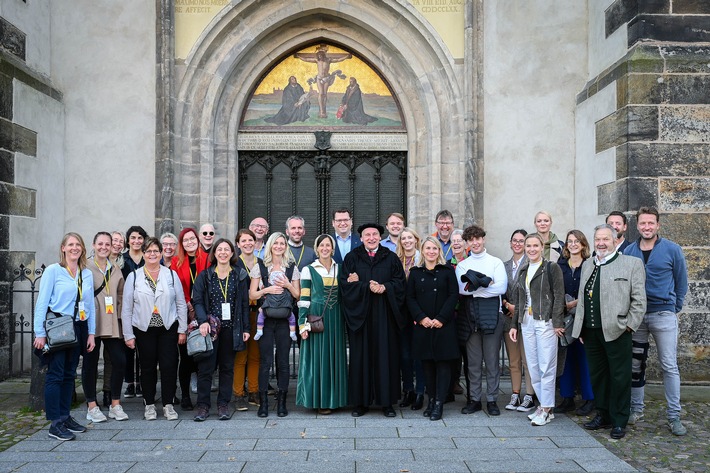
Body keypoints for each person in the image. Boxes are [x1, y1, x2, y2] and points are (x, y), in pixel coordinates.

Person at [572, 224, 646, 440]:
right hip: (591, 332)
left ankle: (619, 420)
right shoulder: (588, 264)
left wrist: (629, 325)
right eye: (598, 239)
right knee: (598, 376)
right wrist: (581, 327)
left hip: (618, 331)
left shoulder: (631, 264)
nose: (601, 243)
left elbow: (639, 301)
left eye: (605, 239)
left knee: (620, 377)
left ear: (615, 240)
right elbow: (583, 298)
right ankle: (602, 414)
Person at [625, 207, 688, 436]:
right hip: (637, 318)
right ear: (637, 226)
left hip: (663, 315)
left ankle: (674, 416)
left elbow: (681, 282)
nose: (647, 227)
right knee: (635, 365)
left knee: (669, 366)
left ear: (658, 225)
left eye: (651, 223)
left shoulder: (672, 250)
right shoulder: (630, 251)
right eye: (643, 223)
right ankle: (636, 409)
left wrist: (673, 307)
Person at [340, 223, 407, 417]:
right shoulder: (352, 258)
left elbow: (400, 283)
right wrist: (365, 287)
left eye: (375, 234)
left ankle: (387, 403)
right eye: (367, 235)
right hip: (360, 316)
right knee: (360, 357)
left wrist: (385, 287)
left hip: (385, 315)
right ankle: (360, 403)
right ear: (360, 238)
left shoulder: (391, 257)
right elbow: (344, 285)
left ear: (380, 237)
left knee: (386, 357)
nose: (371, 238)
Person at [33, 233, 95, 440]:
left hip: (77, 327)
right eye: (71, 245)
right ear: (63, 248)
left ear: (82, 249)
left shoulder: (85, 273)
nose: (74, 248)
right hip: (58, 328)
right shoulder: (53, 271)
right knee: (55, 374)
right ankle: (55, 423)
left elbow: (90, 307)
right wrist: (39, 333)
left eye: (78, 245)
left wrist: (91, 333)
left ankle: (65, 415)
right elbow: (42, 302)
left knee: (70, 374)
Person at [122, 237, 188, 421]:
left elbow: (180, 303)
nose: (152, 254)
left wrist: (182, 329)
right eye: (149, 251)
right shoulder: (134, 276)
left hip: (167, 327)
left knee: (169, 366)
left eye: (156, 251)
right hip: (144, 329)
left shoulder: (171, 275)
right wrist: (128, 334)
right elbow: (127, 308)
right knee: (148, 367)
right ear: (143, 253)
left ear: (161, 254)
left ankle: (168, 404)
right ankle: (149, 404)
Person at [191, 238, 251, 421]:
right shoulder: (205, 275)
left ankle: (223, 404)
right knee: (206, 369)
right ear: (214, 253)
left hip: (231, 329)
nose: (223, 252)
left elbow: (243, 303)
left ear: (232, 253)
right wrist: (202, 321)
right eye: (220, 249)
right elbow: (198, 301)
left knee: (227, 368)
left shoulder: (239, 275)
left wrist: (246, 328)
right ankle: (203, 406)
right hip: (210, 330)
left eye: (227, 249)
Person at [509, 233, 565, 426]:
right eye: (528, 246)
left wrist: (557, 322)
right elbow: (518, 300)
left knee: (546, 366)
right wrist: (514, 325)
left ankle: (547, 407)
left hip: (545, 322)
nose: (531, 249)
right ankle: (543, 406)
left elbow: (559, 296)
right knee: (533, 367)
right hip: (527, 322)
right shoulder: (524, 269)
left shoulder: (551, 268)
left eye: (535, 245)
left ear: (542, 247)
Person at [455, 225, 507, 417]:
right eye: (471, 240)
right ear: (467, 243)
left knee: (492, 362)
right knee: (474, 363)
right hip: (470, 318)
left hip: (493, 316)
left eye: (478, 239)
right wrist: (487, 284)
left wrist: (475, 287)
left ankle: (492, 400)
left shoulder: (495, 262)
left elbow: (501, 288)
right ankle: (475, 399)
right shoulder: (463, 265)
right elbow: (462, 290)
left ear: (483, 239)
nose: (475, 243)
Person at [249, 232, 301, 417]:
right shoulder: (260, 266)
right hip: (266, 319)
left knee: (283, 362)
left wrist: (287, 285)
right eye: (276, 243)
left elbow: (297, 295)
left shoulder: (291, 267)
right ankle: (263, 403)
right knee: (265, 362)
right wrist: (267, 289)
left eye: (282, 243)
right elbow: (252, 295)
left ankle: (281, 402)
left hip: (285, 320)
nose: (279, 246)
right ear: (270, 245)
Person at [407, 237, 459, 420]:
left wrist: (441, 318)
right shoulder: (415, 272)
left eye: (434, 248)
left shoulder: (447, 271)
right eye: (427, 248)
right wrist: (421, 318)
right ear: (423, 250)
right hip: (424, 325)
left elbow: (453, 295)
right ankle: (430, 401)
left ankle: (439, 403)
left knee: (443, 364)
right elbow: (410, 298)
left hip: (443, 325)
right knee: (427, 364)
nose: (431, 251)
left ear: (439, 251)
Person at [296, 234, 349, 414]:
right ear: (317, 248)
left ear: (333, 249)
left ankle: (335, 398)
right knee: (317, 358)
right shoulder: (308, 269)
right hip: (317, 316)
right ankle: (320, 400)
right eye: (322, 246)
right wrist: (302, 323)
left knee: (334, 356)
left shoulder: (340, 269)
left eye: (328, 245)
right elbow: (304, 298)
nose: (325, 248)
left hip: (336, 318)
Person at [84, 232, 128, 423]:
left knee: (119, 361)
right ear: (93, 245)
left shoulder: (116, 268)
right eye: (100, 244)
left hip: (111, 321)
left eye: (107, 244)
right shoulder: (85, 266)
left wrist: (121, 320)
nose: (103, 247)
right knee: (90, 364)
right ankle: (91, 406)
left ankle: (115, 404)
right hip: (91, 322)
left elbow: (120, 295)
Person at [554, 230, 595, 416]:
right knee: (566, 359)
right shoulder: (560, 266)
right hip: (564, 318)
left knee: (584, 358)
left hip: (583, 317)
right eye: (569, 241)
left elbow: (592, 291)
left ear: (583, 244)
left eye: (577, 241)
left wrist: (577, 302)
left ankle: (589, 399)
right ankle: (567, 397)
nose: (573, 244)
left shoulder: (590, 265)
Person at [171, 227, 209, 410]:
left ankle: (203, 397)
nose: (190, 242)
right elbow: (175, 288)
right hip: (184, 313)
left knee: (203, 356)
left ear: (197, 239)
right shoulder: (176, 263)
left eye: (192, 238)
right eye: (185, 240)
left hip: (205, 312)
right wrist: (188, 304)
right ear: (181, 243)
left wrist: (199, 306)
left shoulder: (208, 259)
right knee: (185, 358)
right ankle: (185, 395)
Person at [501, 229, 536, 413]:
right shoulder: (504, 266)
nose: (517, 244)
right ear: (510, 242)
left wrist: (518, 308)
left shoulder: (532, 265)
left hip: (527, 319)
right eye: (514, 240)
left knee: (527, 360)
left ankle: (529, 395)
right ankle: (515, 394)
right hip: (508, 319)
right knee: (513, 360)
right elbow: (499, 289)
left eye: (521, 241)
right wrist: (507, 304)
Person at [395, 227, 425, 410]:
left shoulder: (423, 258)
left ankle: (421, 391)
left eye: (409, 238)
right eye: (403, 238)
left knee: (418, 355)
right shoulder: (396, 260)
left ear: (416, 239)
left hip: (419, 313)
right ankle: (408, 390)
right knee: (404, 355)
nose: (406, 241)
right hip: (401, 313)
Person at [232, 229, 262, 410]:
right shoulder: (235, 264)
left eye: (250, 240)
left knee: (256, 355)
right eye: (243, 241)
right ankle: (238, 394)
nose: (248, 243)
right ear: (238, 244)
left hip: (258, 313)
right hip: (240, 313)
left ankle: (253, 390)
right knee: (240, 355)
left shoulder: (261, 263)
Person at [122, 225, 148, 398]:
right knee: (127, 345)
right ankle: (129, 382)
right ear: (128, 240)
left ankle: (141, 381)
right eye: (133, 238)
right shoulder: (122, 259)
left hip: (144, 305)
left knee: (143, 346)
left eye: (140, 238)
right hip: (125, 304)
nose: (136, 241)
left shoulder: (148, 258)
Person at [294, 44, 351, 118]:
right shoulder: (317, 60)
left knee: (325, 94)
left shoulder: (328, 60)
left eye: (321, 55)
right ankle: (321, 111)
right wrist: (299, 56)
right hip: (319, 78)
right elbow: (307, 59)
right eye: (319, 55)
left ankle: (324, 110)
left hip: (327, 78)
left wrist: (346, 56)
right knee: (321, 94)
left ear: (323, 55)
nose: (320, 56)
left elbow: (338, 59)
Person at [446, 229, 469, 400]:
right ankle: (452, 383)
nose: (456, 243)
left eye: (459, 240)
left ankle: (471, 391)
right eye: (453, 241)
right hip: (451, 314)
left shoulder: (472, 262)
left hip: (468, 313)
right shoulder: (447, 264)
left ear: (466, 243)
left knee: (469, 353)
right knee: (452, 351)